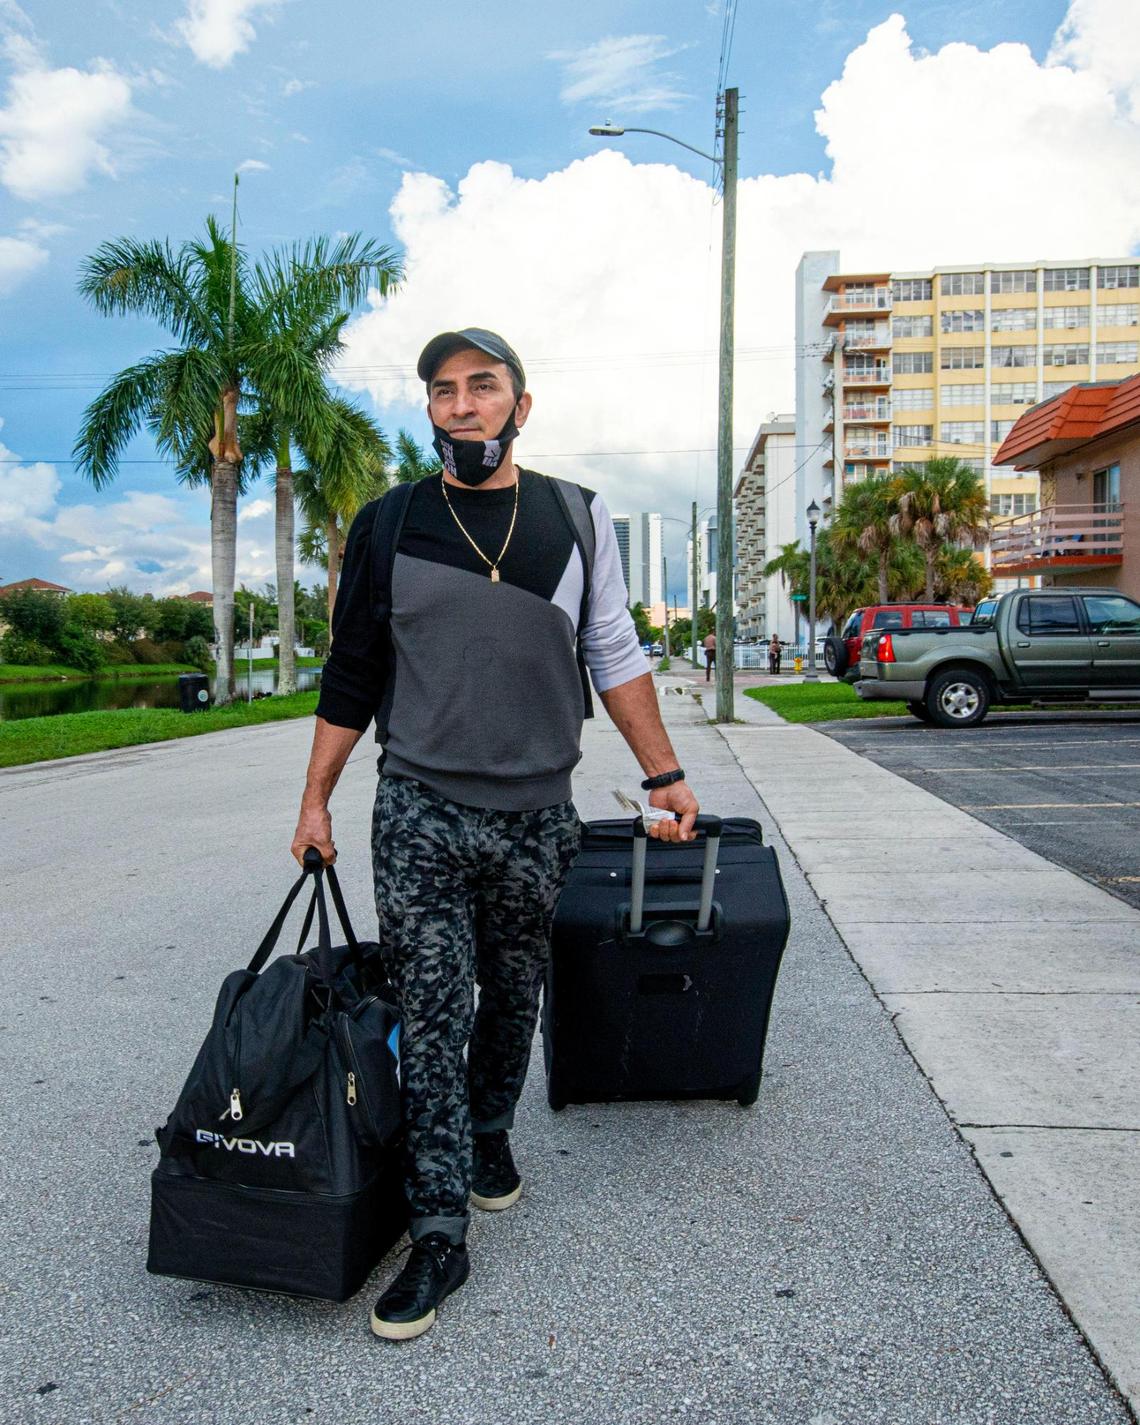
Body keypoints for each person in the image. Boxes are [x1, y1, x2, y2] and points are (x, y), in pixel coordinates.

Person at [290, 328, 700, 1342]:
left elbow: (614, 651)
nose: (463, 405)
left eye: (483, 386)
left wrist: (667, 773)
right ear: (428, 410)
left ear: (522, 402)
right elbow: (352, 674)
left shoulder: (575, 517)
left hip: (537, 812)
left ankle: (486, 1132)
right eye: (444, 391)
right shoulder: (389, 524)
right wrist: (315, 800)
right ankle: (437, 1230)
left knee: (513, 994)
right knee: (432, 1007)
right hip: (420, 805)